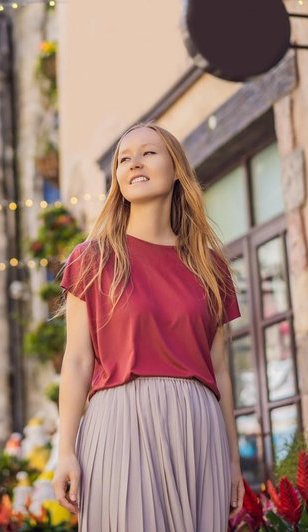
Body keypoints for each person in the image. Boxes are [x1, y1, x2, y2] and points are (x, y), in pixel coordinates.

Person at [51, 122, 245, 531]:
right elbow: (77, 361)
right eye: (124, 158)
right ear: (117, 180)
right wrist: (65, 450)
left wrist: (232, 460)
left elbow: (221, 369)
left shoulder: (210, 268)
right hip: (120, 422)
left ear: (177, 170)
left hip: (197, 426)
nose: (134, 162)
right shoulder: (92, 259)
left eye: (149, 153)